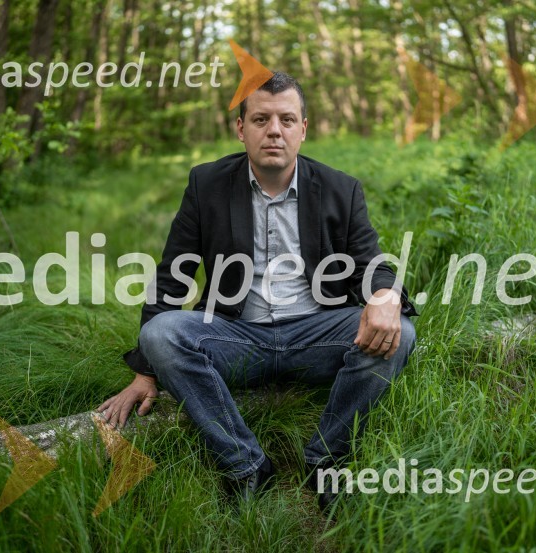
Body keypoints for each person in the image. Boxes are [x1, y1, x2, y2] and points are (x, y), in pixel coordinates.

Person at [97, 72, 417, 510]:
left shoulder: (341, 189)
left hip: (316, 335)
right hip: (236, 337)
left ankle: (326, 456)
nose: (274, 131)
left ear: (303, 129)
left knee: (402, 334)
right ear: (240, 128)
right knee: (160, 335)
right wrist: (145, 371)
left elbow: (371, 262)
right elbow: (173, 275)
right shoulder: (206, 184)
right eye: (261, 119)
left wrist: (386, 296)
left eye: (287, 120)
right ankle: (246, 463)